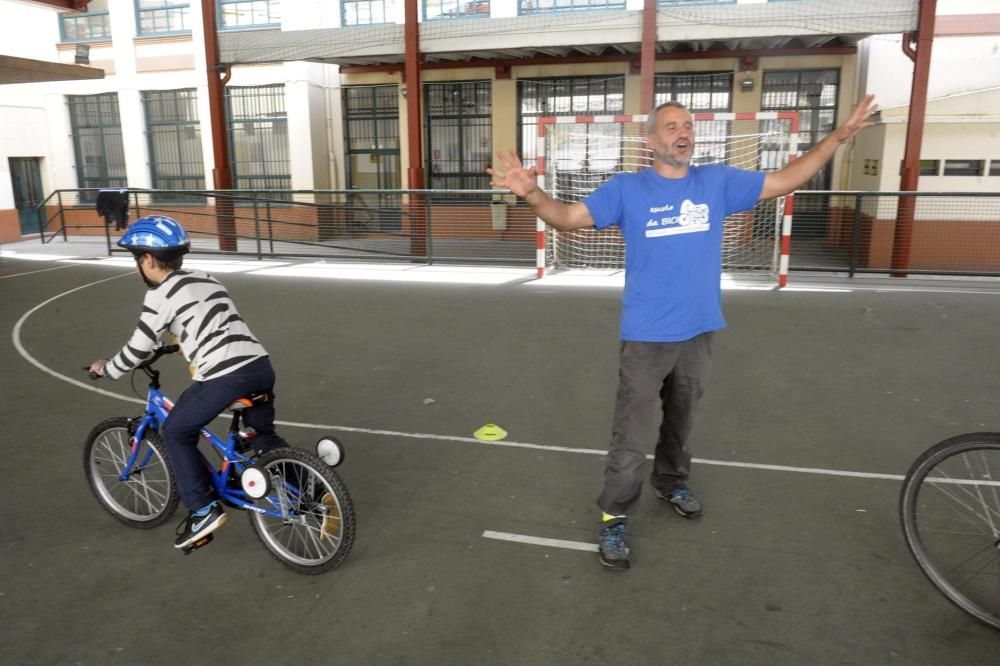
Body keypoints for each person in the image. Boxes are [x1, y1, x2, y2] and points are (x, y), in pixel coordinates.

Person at [487, 94, 878, 570]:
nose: (683, 131)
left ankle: (670, 480)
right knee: (631, 437)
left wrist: (837, 137)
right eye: (671, 125)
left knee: (682, 422)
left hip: (698, 330)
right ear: (651, 140)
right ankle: (614, 516)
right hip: (647, 334)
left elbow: (784, 179)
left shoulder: (716, 182)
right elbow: (567, 218)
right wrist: (530, 192)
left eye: (688, 124)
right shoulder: (627, 189)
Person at [88, 215, 287, 550]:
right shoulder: (206, 279)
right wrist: (181, 342)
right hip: (259, 365)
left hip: (224, 374)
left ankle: (203, 508)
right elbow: (211, 322)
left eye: (138, 260)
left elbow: (139, 347)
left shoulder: (160, 293)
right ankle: (315, 492)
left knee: (177, 432)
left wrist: (108, 368)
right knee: (262, 436)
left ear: (148, 260)